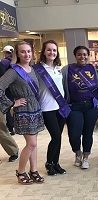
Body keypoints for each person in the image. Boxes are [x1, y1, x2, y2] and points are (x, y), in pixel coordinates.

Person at [0, 41, 45, 184]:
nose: (26, 54)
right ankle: (20, 172)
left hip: (35, 108)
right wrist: (13, 103)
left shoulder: (32, 69)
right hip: (24, 111)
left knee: (34, 143)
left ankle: (34, 170)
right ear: (17, 54)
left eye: (29, 51)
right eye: (23, 52)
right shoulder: (13, 71)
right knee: (31, 144)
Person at [62, 45, 98, 169]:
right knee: (74, 134)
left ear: (88, 55)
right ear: (75, 56)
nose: (82, 56)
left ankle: (86, 157)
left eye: (85, 54)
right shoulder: (67, 69)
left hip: (91, 106)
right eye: (79, 54)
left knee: (88, 132)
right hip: (74, 106)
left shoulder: (94, 69)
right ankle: (77, 153)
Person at [34, 40, 69, 175]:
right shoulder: (37, 70)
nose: (52, 52)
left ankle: (56, 163)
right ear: (43, 51)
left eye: (54, 50)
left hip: (60, 107)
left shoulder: (59, 68)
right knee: (55, 136)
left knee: (58, 136)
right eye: (49, 50)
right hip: (46, 108)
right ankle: (49, 163)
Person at [1, 45, 15, 135]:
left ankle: (10, 127)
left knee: (7, 107)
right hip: (13, 88)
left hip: (5, 88)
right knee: (11, 106)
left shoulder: (3, 62)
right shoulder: (14, 62)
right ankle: (12, 126)